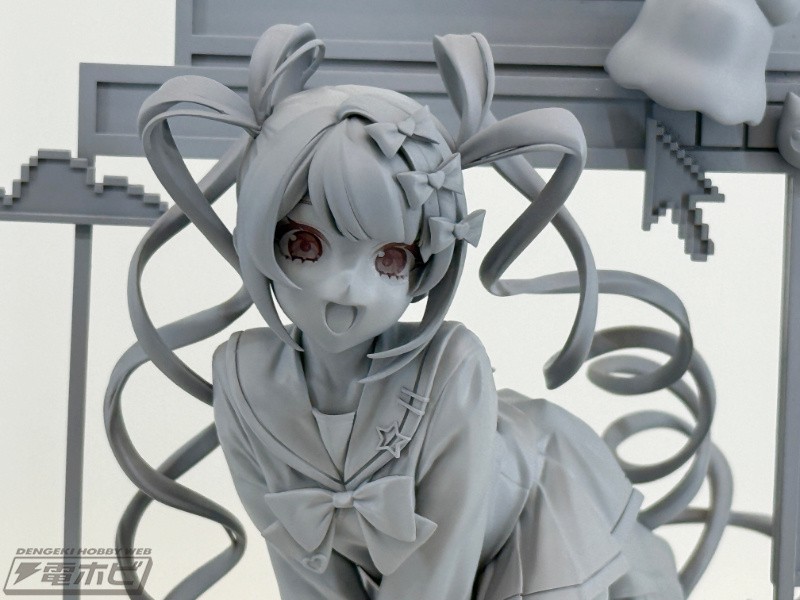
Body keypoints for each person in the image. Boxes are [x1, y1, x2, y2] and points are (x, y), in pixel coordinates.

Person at [106, 23, 713, 599]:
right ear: (259, 238)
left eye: (390, 258)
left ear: (427, 266)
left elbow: (437, 571)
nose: (347, 288)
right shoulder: (245, 383)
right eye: (306, 246)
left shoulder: (452, 369)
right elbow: (300, 563)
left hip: (534, 535)